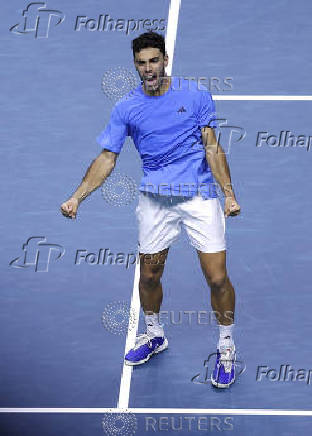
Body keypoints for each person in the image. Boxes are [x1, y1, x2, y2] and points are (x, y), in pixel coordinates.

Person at [60, 31, 241, 388]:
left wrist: (229, 194)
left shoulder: (195, 95)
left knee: (217, 278)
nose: (148, 69)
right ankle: (155, 334)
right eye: (142, 64)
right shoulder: (127, 107)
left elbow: (212, 148)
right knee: (148, 277)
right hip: (155, 200)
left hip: (199, 196)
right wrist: (77, 196)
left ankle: (226, 346)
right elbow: (107, 158)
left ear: (165, 59)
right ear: (135, 66)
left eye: (154, 61)